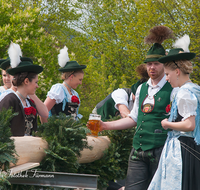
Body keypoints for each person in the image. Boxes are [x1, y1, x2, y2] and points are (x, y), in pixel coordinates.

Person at [88, 25, 177, 190]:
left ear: (164, 64)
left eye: (156, 63)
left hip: (162, 150)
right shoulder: (142, 88)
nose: (151, 67)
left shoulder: (173, 88)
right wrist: (105, 126)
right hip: (138, 150)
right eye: (149, 64)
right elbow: (134, 118)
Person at [148, 35, 200, 190]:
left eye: (167, 74)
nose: (167, 78)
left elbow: (190, 125)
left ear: (177, 72)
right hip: (192, 148)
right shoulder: (195, 89)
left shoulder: (184, 92)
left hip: (182, 149)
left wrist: (166, 124)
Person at [0, 42, 44, 136]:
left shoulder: (30, 103)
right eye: (36, 82)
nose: (37, 86)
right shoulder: (9, 99)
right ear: (26, 81)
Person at [40, 46, 86, 123]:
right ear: (71, 77)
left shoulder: (75, 94)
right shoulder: (59, 89)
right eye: (79, 79)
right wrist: (47, 129)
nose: (80, 83)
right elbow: (43, 112)